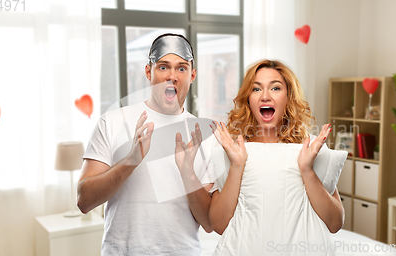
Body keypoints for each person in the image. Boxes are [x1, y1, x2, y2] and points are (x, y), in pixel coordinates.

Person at [77, 33, 216, 255]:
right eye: (163, 67)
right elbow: (84, 201)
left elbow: (208, 223)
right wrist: (130, 161)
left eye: (181, 68)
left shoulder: (203, 136)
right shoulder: (113, 121)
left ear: (192, 75)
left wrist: (188, 172)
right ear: (148, 72)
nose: (172, 76)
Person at [208, 60, 344, 255]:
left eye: (275, 88)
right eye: (256, 89)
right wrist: (237, 166)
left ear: (288, 97)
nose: (265, 96)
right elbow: (219, 225)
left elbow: (335, 223)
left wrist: (307, 171)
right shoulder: (231, 148)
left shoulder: (311, 146)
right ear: (248, 99)